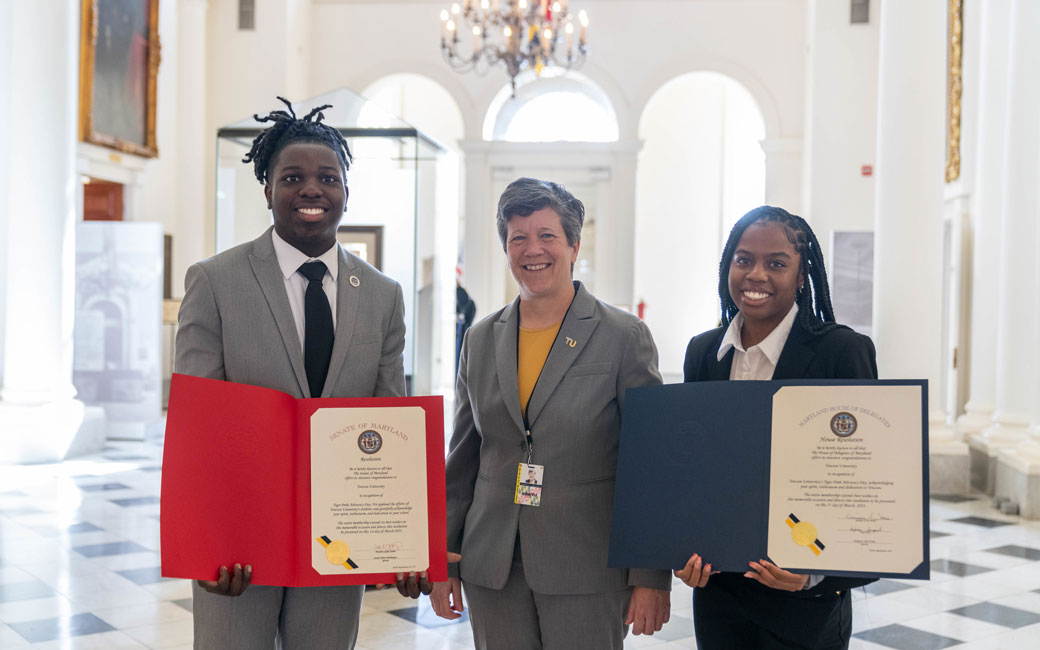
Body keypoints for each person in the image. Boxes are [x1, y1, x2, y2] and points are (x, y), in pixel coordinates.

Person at [174, 97, 406, 650]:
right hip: (239, 541)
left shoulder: (382, 295)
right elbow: (196, 427)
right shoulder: (216, 282)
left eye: (328, 177)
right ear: (267, 189)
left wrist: (396, 544)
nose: (312, 189)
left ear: (346, 191)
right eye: (292, 177)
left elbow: (389, 425)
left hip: (338, 534)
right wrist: (205, 544)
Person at [430, 177, 671, 649]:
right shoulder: (479, 340)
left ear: (574, 245)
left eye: (546, 235)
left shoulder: (623, 336)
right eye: (517, 237)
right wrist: (445, 558)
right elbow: (463, 459)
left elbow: (651, 464)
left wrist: (651, 575)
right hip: (492, 562)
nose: (531, 249)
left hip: (588, 563)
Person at [675, 206, 877, 650]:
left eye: (777, 263)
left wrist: (815, 575)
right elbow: (694, 470)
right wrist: (682, 548)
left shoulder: (841, 352)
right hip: (721, 595)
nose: (756, 274)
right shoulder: (704, 353)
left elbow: (862, 483)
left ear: (803, 275)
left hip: (802, 602)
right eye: (743, 259)